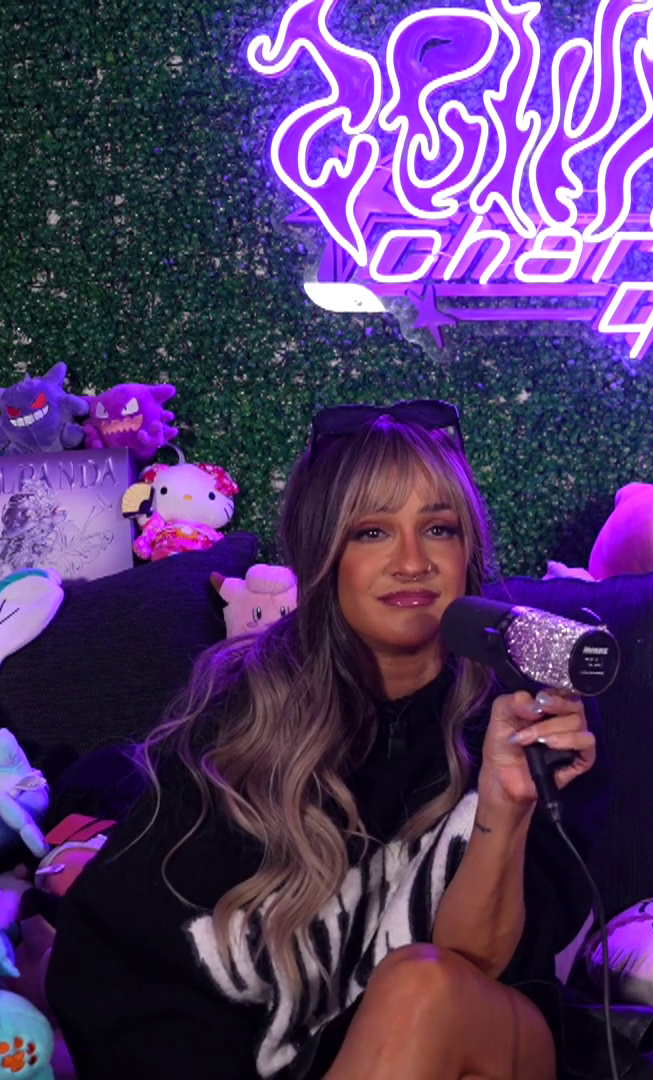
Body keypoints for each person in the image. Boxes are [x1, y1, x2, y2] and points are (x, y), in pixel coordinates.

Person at [48, 399, 597, 1080]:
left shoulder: (524, 712)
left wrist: (505, 803)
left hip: (483, 1042)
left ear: (468, 553)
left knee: (421, 990)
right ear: (323, 553)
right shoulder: (244, 717)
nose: (412, 562)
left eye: (438, 529)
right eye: (372, 531)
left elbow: (478, 968)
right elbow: (132, 966)